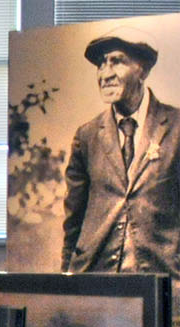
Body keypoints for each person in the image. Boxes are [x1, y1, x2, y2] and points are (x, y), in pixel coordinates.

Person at [62, 28, 180, 275]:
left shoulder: (176, 127)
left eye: (117, 61)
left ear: (142, 70)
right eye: (101, 64)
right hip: (98, 279)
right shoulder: (87, 135)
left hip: (163, 280)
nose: (106, 74)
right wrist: (66, 278)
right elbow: (74, 220)